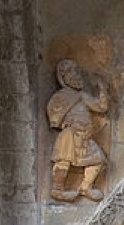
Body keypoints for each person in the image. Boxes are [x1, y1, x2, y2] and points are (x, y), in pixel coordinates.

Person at [47, 59, 109, 203]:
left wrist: (103, 90)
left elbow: (100, 107)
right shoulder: (62, 96)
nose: (77, 76)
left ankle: (85, 187)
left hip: (84, 137)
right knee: (63, 162)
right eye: (72, 73)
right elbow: (54, 112)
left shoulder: (82, 96)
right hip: (70, 135)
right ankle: (57, 189)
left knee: (98, 160)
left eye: (77, 72)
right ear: (64, 77)